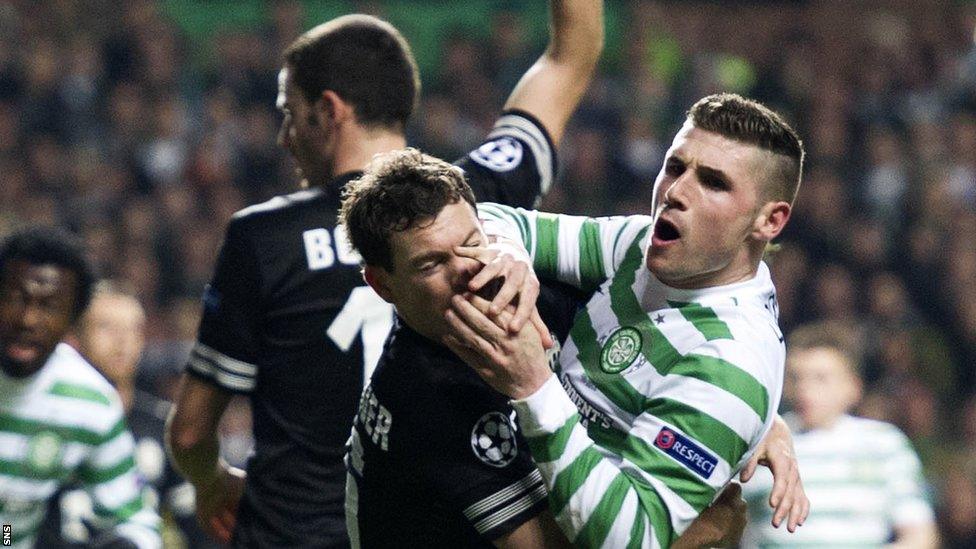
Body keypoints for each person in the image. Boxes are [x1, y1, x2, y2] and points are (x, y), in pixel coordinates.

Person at [165, 2, 605, 547]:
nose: (285, 136)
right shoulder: (473, 199)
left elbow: (189, 431)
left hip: (294, 533)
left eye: (290, 113)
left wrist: (211, 482)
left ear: (329, 110)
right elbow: (568, 59)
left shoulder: (263, 239)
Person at [443, 93, 809, 547]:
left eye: (714, 183)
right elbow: (495, 221)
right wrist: (510, 254)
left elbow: (628, 539)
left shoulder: (730, 365)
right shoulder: (640, 245)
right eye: (676, 167)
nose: (675, 192)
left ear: (769, 221)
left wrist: (532, 386)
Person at [340, 148, 754, 548]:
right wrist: (704, 531)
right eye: (430, 264)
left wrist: (751, 406)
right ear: (383, 284)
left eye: (470, 241)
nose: (466, 270)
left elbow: (663, 338)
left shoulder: (532, 285)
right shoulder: (422, 396)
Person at [0, 227, 161, 549]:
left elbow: (134, 520)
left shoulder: (90, 405)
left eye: (49, 307)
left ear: (72, 321)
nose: (28, 319)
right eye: (16, 299)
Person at [36, 281, 215, 548]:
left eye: (134, 329)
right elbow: (7, 523)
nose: (123, 340)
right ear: (74, 339)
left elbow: (200, 528)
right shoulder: (42, 420)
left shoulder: (165, 424)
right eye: (106, 327)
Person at [740, 322, 940, 548]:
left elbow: (920, 537)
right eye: (796, 377)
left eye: (821, 378)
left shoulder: (884, 444)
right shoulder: (762, 440)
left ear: (853, 386)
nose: (805, 388)